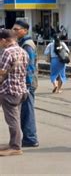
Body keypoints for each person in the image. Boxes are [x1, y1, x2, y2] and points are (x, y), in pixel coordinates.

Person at [0, 29, 29, 156]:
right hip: (21, 90)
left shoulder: (7, 52)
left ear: (3, 40)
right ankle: (14, 143)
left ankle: (16, 147)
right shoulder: (23, 52)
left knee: (12, 120)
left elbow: (2, 71)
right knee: (15, 118)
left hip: (9, 90)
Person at [12, 20, 39, 148]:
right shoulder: (22, 43)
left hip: (28, 83)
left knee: (27, 111)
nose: (14, 32)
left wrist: (27, 85)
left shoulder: (27, 45)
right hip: (26, 83)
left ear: (25, 30)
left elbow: (30, 66)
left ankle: (31, 138)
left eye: (17, 29)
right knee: (24, 111)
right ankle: (28, 137)